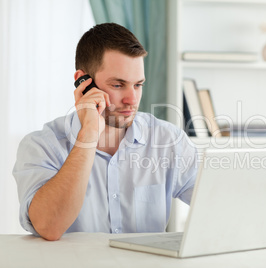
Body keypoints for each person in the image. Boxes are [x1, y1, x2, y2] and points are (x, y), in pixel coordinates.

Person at [13, 23, 198, 241]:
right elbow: (48, 227)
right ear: (83, 82)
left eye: (138, 85)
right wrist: (88, 135)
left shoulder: (169, 141)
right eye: (118, 85)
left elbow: (219, 204)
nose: (132, 100)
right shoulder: (42, 146)